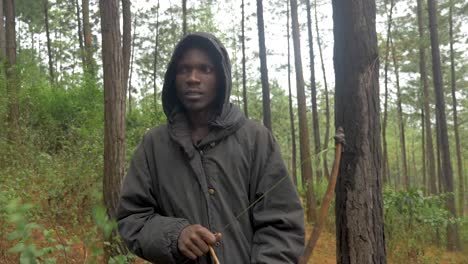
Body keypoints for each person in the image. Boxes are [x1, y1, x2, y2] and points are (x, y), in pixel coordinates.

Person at [117, 32, 305, 264]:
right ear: (173, 79)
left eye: (205, 69)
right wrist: (175, 236)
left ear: (222, 78)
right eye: (184, 69)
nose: (192, 78)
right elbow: (132, 218)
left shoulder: (255, 139)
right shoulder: (154, 145)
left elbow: (282, 224)